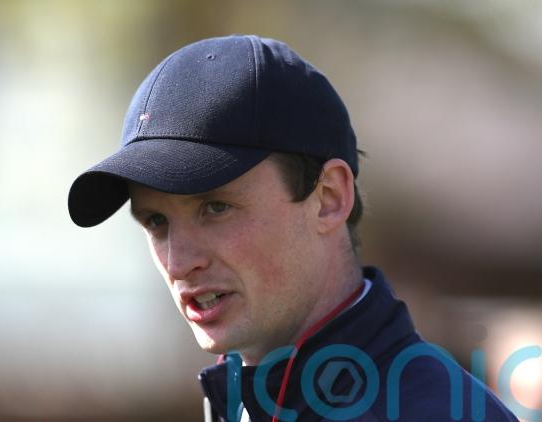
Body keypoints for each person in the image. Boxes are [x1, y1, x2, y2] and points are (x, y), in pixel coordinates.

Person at [68, 35, 517, 421]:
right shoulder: (247, 399)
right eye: (156, 221)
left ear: (329, 198)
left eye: (216, 207)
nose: (179, 262)